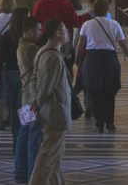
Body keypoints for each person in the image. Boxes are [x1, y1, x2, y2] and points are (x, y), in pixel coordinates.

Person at [75, 0, 128, 133]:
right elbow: (123, 44)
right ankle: (110, 122)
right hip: (109, 59)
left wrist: (78, 59)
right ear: (107, 9)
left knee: (95, 91)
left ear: (94, 10)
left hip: (92, 59)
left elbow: (81, 44)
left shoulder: (87, 24)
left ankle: (99, 123)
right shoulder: (114, 24)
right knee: (109, 91)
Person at [27, 19, 72, 184]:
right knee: (48, 154)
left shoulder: (43, 51)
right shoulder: (53, 56)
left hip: (49, 109)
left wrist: (35, 100)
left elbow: (34, 78)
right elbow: (47, 85)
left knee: (55, 155)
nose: (68, 32)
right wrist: (37, 102)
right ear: (58, 33)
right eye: (65, 29)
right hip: (56, 111)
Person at [14, 17, 44, 184]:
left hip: (26, 97)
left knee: (23, 136)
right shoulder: (31, 48)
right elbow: (41, 69)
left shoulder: (21, 45)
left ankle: (20, 173)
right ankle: (32, 175)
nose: (41, 33)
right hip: (33, 100)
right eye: (39, 30)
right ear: (31, 31)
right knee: (33, 138)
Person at [0, 8, 27, 148]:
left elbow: (0, 59)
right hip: (24, 75)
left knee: (12, 107)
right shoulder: (28, 37)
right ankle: (23, 137)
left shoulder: (6, 36)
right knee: (24, 106)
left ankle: (16, 140)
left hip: (9, 74)